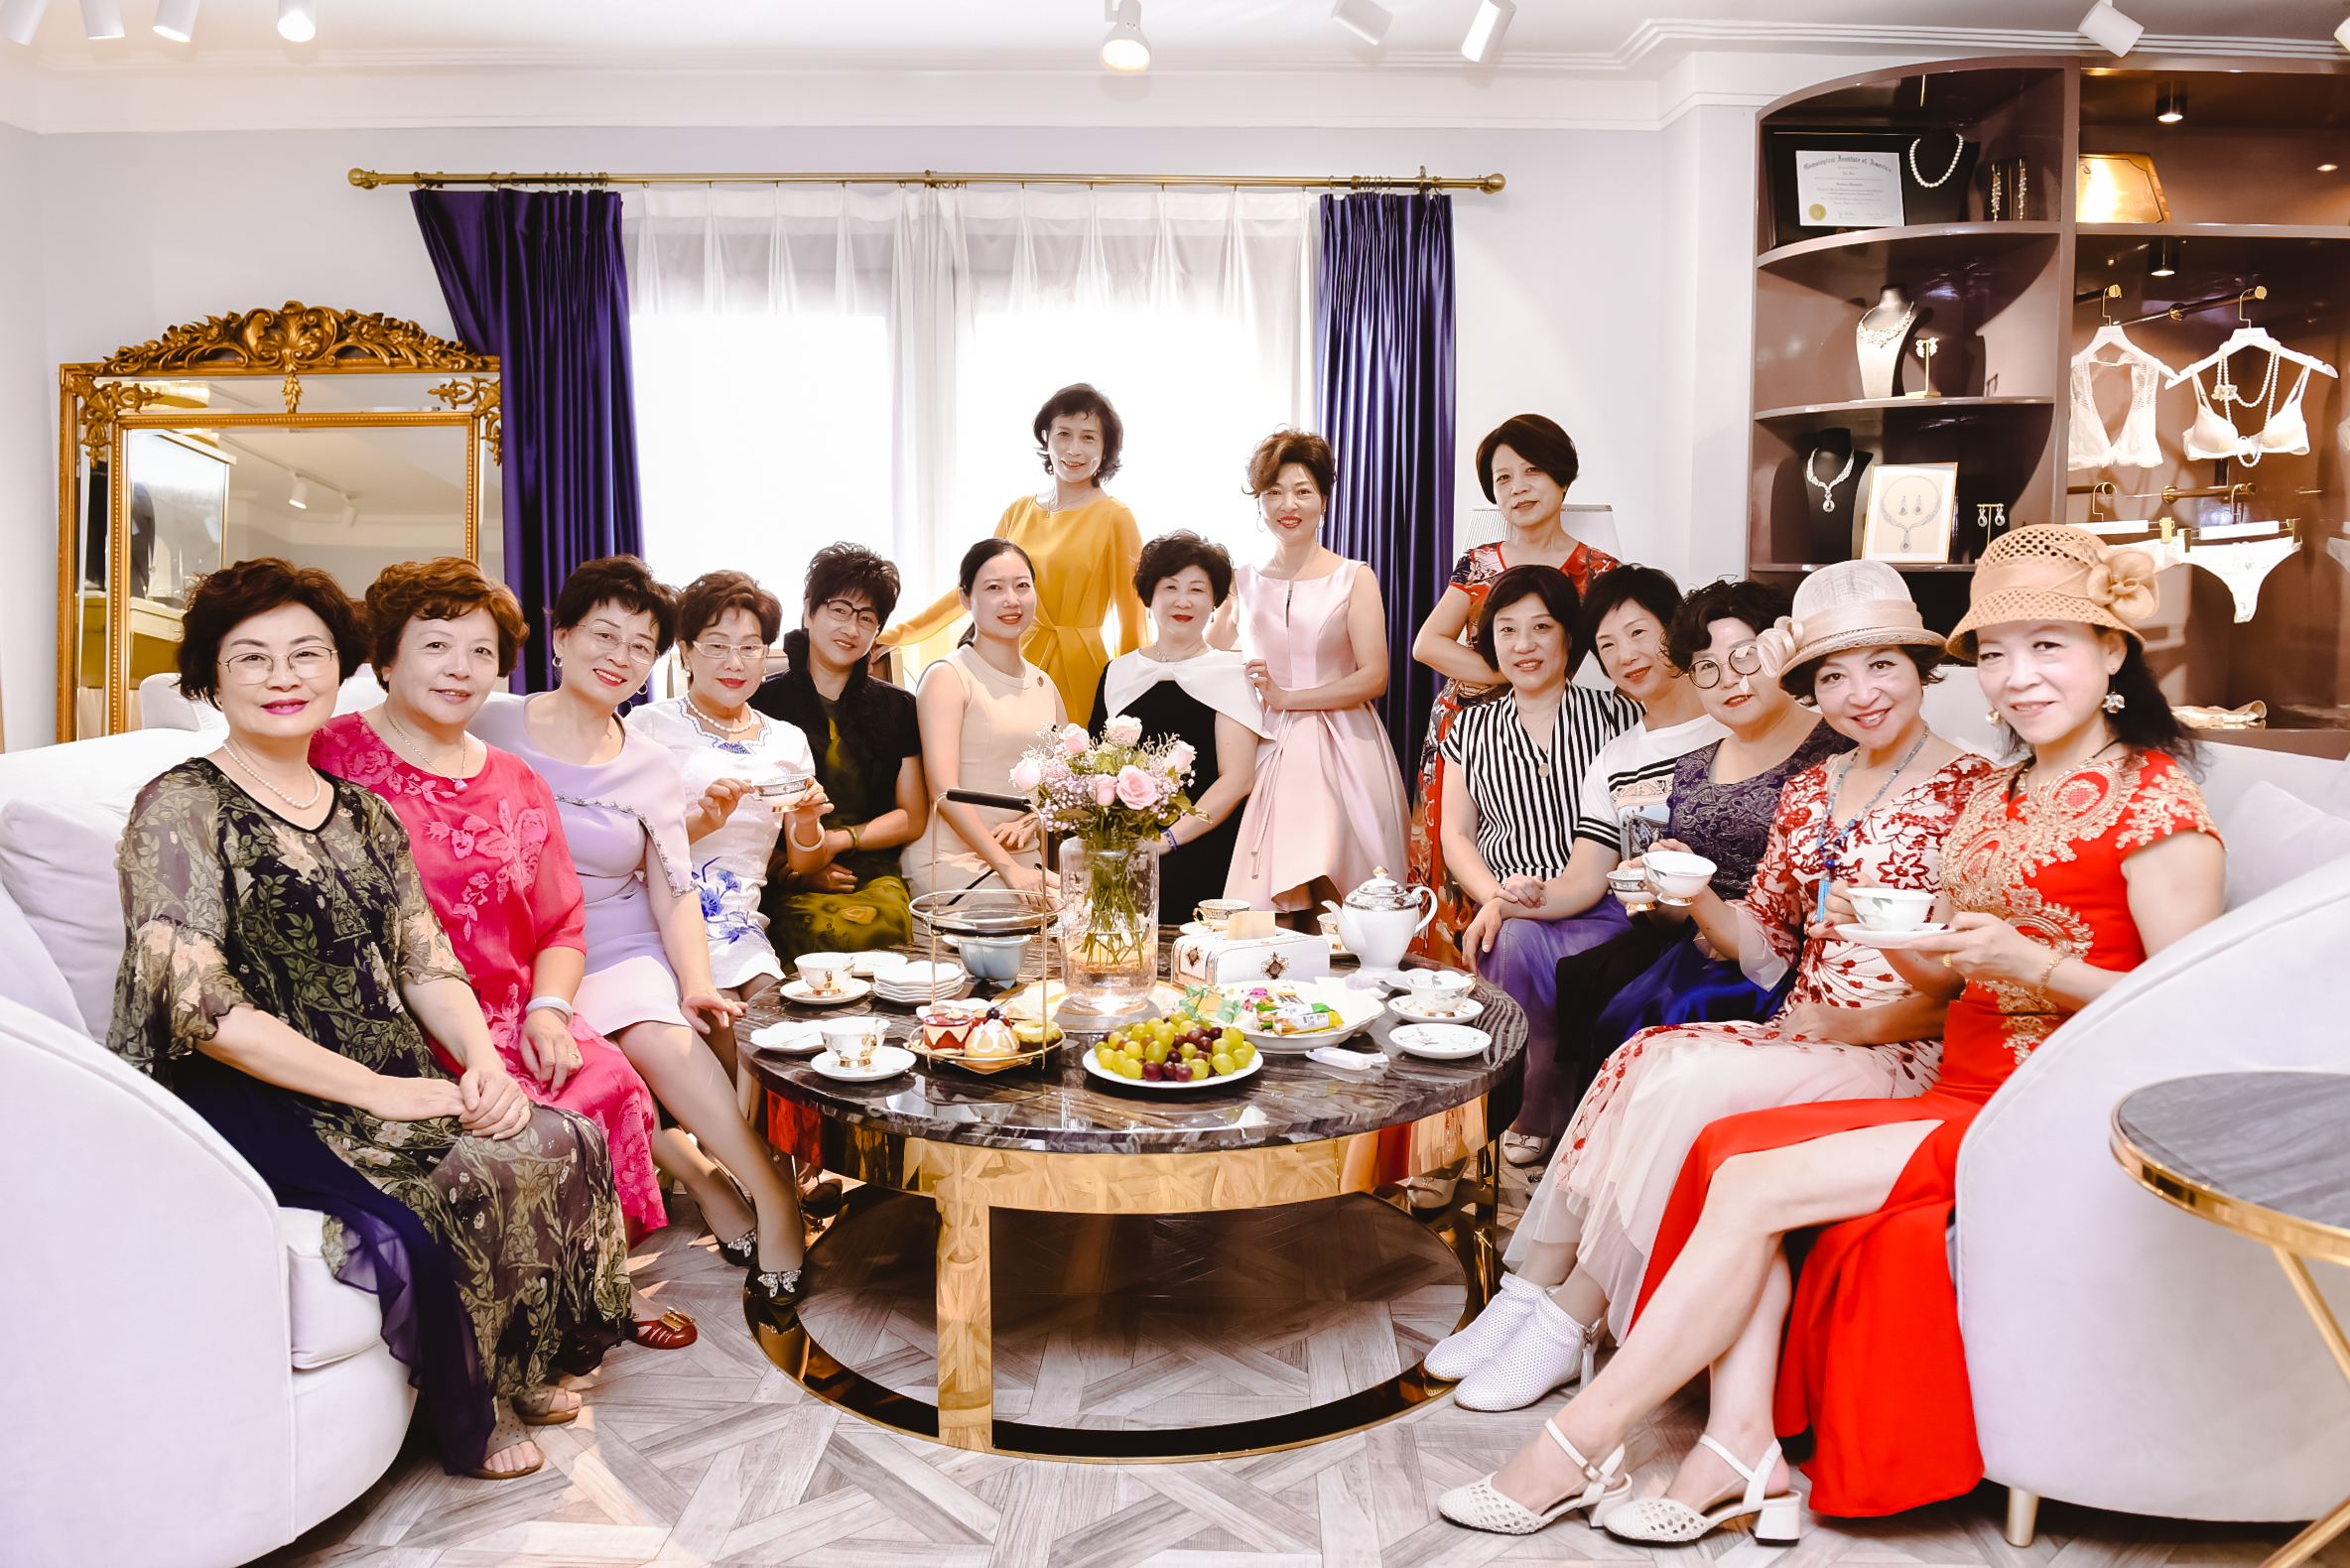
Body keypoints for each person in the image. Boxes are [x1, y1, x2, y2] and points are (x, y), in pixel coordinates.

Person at [1439, 524, 2222, 1540]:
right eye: (1996, 652)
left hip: (2033, 1104)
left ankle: (1578, 1438)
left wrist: (2018, 966)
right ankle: (1732, 1442)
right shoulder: (1999, 795)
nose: (2018, 676)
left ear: (2111, 651)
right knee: (1707, 1130)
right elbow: (1934, 970)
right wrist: (1901, 941)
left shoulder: (2153, 796)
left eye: (2048, 646)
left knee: (1730, 1151)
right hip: (1961, 1072)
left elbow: (2182, 1013)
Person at [109, 558, 633, 1482]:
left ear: (339, 667)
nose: (283, 677)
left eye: (306, 654)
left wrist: (479, 1060)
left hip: (375, 1060)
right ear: (212, 678)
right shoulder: (179, 806)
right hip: (241, 1084)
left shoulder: (359, 811)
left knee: (560, 1135)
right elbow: (197, 1008)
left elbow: (425, 962)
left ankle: (521, 1363)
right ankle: (470, 1408)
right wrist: (376, 1092)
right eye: (253, 657)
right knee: (442, 1185)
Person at [1430, 561, 1996, 1415]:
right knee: (1641, 1058)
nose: (1860, 693)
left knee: (1681, 1074)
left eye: (1882, 665)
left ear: (1922, 666)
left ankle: (1570, 1317)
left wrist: (1853, 1024)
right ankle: (1528, 1291)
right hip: (1801, 1022)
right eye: (1834, 675)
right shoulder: (1814, 786)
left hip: (1896, 1044)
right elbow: (1765, 945)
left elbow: (1968, 983)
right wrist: (1694, 895)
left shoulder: (1976, 791)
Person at [469, 557, 807, 1311]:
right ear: (560, 637)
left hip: (617, 938)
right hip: (511, 948)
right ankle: (701, 1178)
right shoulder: (490, 721)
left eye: (640, 645)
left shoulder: (650, 764)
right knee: (566, 1065)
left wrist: (695, 983)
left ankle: (773, 1198)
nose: (620, 656)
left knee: (658, 1035)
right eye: (604, 635)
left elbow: (672, 884)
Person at [310, 559, 670, 1254]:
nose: (460, 669)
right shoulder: (328, 756)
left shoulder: (516, 778)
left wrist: (548, 1012)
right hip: (389, 1024)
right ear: (386, 657)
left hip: (509, 1014)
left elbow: (562, 923)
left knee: (612, 1082)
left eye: (482, 652)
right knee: (516, 1135)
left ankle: (592, 1279)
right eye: (436, 645)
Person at [1463, 567, 1725, 1166]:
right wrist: (1503, 901)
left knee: (1617, 985)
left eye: (1639, 633)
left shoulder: (1733, 719)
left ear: (1677, 629)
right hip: (1653, 917)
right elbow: (1586, 877)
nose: (1626, 655)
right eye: (1608, 644)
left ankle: (1584, 1135)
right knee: (1513, 938)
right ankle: (1523, 1113)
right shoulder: (1618, 757)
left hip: (1730, 926)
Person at [1410, 416, 1622, 964]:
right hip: (1467, 727)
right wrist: (1519, 668)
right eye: (1503, 478)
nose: (1518, 488)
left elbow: (1621, 655)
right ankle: (1458, 982)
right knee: (1452, 856)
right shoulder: (1480, 561)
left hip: (1551, 724)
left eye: (1532, 472)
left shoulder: (1599, 570)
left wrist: (1538, 676)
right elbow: (1428, 645)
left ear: (1562, 479)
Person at [626, 571, 834, 1080]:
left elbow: (805, 861)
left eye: (750, 647)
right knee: (733, 1042)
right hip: (662, 916)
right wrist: (702, 822)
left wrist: (807, 821)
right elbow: (622, 851)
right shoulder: (647, 727)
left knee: (783, 1039)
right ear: (685, 651)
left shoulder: (788, 740)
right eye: (717, 645)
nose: (734, 662)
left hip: (742, 922)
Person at [1434, 564, 1638, 1040]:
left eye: (1541, 627)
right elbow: (1456, 834)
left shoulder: (1618, 715)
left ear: (1570, 636)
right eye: (1507, 630)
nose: (1523, 645)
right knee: (1509, 939)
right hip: (1506, 907)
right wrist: (1497, 898)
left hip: (1601, 907)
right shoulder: (1469, 728)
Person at [1218, 429, 1411, 913]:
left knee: (1343, 890)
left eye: (1303, 491)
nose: (1289, 505)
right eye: (1274, 492)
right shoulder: (1241, 581)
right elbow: (1209, 658)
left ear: (1324, 500)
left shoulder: (1354, 577)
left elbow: (1375, 677)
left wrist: (1288, 699)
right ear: (1259, 503)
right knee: (1275, 897)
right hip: (1264, 738)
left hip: (1345, 739)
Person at [882, 382, 1145, 718]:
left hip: (1079, 670)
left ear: (1106, 447)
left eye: (1088, 437)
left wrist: (1129, 699)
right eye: (1064, 434)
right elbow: (972, 589)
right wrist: (899, 634)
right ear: (1046, 438)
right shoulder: (1019, 510)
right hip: (1008, 661)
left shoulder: (1117, 518)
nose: (1074, 449)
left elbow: (1133, 623)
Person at [751, 543, 928, 964]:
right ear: (809, 611)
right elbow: (746, 812)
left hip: (869, 871)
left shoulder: (899, 707)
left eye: (867, 618)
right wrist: (797, 870)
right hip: (780, 871)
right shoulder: (760, 702)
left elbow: (912, 816)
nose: (852, 628)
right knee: (816, 932)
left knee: (880, 927)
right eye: (840, 610)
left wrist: (836, 841)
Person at [1089, 531, 1267, 922]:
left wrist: (1166, 840)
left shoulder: (1230, 673)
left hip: (1204, 850)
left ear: (1214, 602)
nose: (1183, 600)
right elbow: (1097, 768)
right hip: (1124, 849)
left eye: (1197, 589)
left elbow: (1237, 780)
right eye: (1170, 586)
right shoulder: (1118, 672)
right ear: (1149, 596)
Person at [904, 539, 1066, 898]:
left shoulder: (1044, 684)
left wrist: (1030, 821)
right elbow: (944, 791)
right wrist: (1007, 868)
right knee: (1059, 913)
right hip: (952, 861)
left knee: (1095, 909)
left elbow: (1064, 785)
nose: (1011, 599)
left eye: (1022, 586)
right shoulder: (948, 676)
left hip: (1025, 863)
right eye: (994, 588)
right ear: (965, 598)